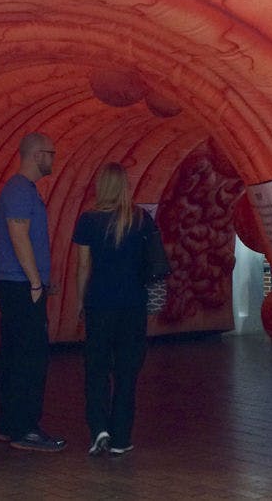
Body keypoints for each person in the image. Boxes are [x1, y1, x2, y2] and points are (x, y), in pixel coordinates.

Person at [73, 162, 156, 456]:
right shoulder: (141, 219)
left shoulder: (87, 221)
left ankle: (98, 428)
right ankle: (121, 437)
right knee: (126, 372)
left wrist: (80, 301)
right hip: (132, 305)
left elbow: (84, 266)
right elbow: (151, 263)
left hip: (99, 303)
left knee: (96, 370)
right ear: (125, 186)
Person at [0, 132, 67, 452]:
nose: (53, 159)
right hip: (21, 285)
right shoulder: (20, 190)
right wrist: (35, 281)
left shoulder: (21, 190)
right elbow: (18, 234)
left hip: (17, 284)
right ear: (37, 156)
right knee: (30, 357)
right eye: (51, 153)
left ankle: (9, 424)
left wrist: (40, 282)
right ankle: (26, 429)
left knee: (14, 354)